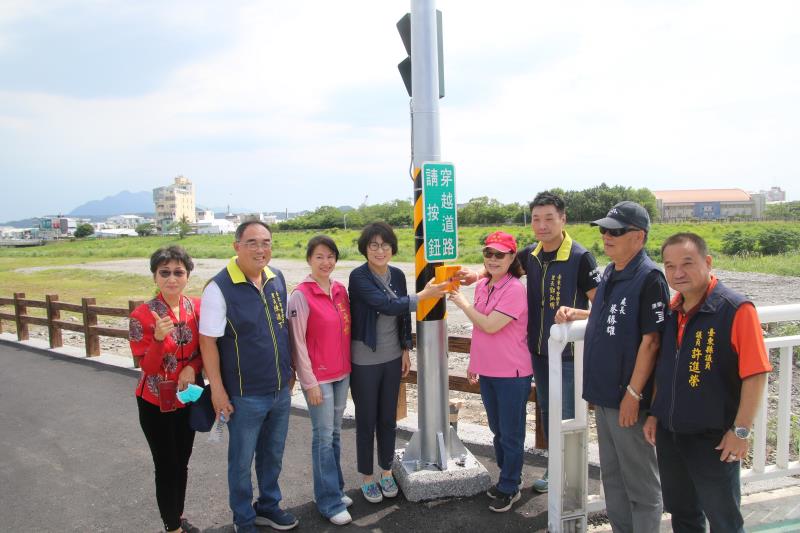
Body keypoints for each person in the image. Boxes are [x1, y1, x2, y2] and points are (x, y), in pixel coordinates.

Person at [459, 191, 600, 493]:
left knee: (567, 415)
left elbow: (602, 307)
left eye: (549, 218)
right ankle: (555, 468)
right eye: (536, 219)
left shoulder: (580, 257)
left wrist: (576, 313)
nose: (542, 225)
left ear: (563, 219)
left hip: (568, 353)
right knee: (548, 412)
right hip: (537, 351)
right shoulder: (530, 253)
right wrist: (475, 275)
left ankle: (568, 477)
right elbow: (501, 263)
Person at [643, 233, 771, 532]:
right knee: (683, 513)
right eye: (670, 265)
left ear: (708, 262)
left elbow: (756, 373)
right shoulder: (673, 311)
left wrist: (740, 431)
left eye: (687, 263)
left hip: (714, 438)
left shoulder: (736, 309)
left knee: (723, 518)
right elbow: (666, 368)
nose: (678, 273)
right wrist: (655, 414)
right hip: (671, 432)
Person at [559, 201, 669, 533]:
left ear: (639, 237)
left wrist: (634, 394)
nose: (606, 236)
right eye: (604, 230)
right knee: (613, 475)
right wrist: (576, 313)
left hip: (628, 398)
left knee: (640, 482)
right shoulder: (611, 271)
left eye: (616, 231)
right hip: (604, 394)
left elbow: (652, 341)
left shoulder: (649, 278)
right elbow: (606, 317)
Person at [198, 221, 298, 533]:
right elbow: (208, 342)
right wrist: (217, 390)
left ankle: (268, 506)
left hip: (279, 389)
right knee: (241, 463)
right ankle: (243, 518)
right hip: (244, 393)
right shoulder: (219, 288)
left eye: (266, 242)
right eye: (252, 242)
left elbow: (282, 330)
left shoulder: (276, 277)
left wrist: (290, 371)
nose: (260, 249)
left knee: (273, 455)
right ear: (236, 246)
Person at [348, 221, 448, 503]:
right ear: (365, 249)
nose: (380, 251)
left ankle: (386, 471)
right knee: (367, 420)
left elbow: (403, 315)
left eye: (385, 245)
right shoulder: (359, 277)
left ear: (392, 248)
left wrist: (406, 348)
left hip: (393, 357)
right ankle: (367, 477)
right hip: (365, 359)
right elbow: (388, 305)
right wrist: (424, 296)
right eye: (374, 245)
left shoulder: (397, 274)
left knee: (388, 419)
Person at [449, 231, 532, 513]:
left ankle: (511, 485)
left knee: (511, 432)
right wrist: (474, 362)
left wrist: (462, 303)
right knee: (497, 430)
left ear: (512, 257)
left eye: (500, 254)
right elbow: (479, 332)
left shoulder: (515, 290)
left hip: (513, 372)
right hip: (489, 370)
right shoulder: (485, 284)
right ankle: (507, 478)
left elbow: (491, 325)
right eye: (489, 253)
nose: (493, 259)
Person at [129, 245, 202, 533]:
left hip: (186, 396)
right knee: (166, 464)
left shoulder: (195, 307)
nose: (172, 278)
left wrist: (192, 367)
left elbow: (204, 350)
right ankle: (171, 527)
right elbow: (146, 367)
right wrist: (158, 339)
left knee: (182, 462)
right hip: (154, 401)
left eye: (178, 272)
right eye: (165, 273)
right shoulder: (142, 315)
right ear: (154, 277)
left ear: (187, 276)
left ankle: (178, 516)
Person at [288, 236, 353, 526]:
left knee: (335, 434)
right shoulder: (301, 295)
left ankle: (335, 489)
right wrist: (309, 381)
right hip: (318, 378)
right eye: (319, 257)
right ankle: (327, 501)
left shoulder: (340, 290)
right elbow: (297, 342)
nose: (326, 262)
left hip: (342, 373)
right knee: (323, 438)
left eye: (330, 256)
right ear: (309, 260)